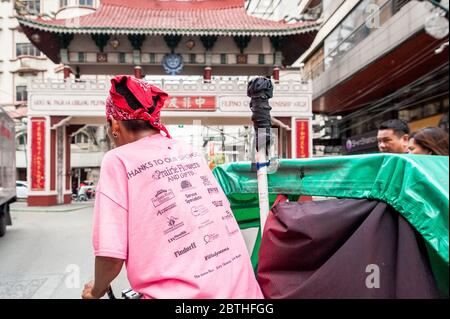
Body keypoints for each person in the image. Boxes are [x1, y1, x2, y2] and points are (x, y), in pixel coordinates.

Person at [81, 75, 263, 299]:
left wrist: (96, 291)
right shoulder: (189, 152)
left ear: (115, 124)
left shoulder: (118, 159)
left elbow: (110, 258)